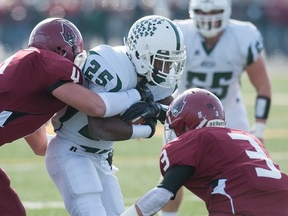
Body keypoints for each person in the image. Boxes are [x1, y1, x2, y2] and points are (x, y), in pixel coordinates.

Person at [0, 17, 151, 216]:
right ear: (61, 51)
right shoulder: (44, 61)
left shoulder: (28, 78)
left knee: (9, 212)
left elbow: (40, 145)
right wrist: (138, 94)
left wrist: (81, 148)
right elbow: (95, 106)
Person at [44, 15, 187, 216]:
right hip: (72, 151)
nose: (167, 69)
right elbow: (100, 128)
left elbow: (178, 113)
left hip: (101, 157)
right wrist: (147, 129)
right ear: (141, 54)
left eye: (170, 62)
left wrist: (155, 109)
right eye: (162, 61)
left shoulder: (151, 76)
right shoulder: (113, 65)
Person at [161, 0, 272, 215]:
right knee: (173, 174)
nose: (208, 17)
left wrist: (259, 130)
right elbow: (160, 80)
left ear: (227, 11)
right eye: (202, 11)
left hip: (229, 112)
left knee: (247, 171)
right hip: (185, 115)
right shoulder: (180, 33)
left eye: (214, 11)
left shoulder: (243, 35)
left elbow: (262, 85)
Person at [121, 88, 288, 216]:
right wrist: (159, 109)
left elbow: (162, 193)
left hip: (240, 206)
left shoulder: (197, 140)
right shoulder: (248, 138)